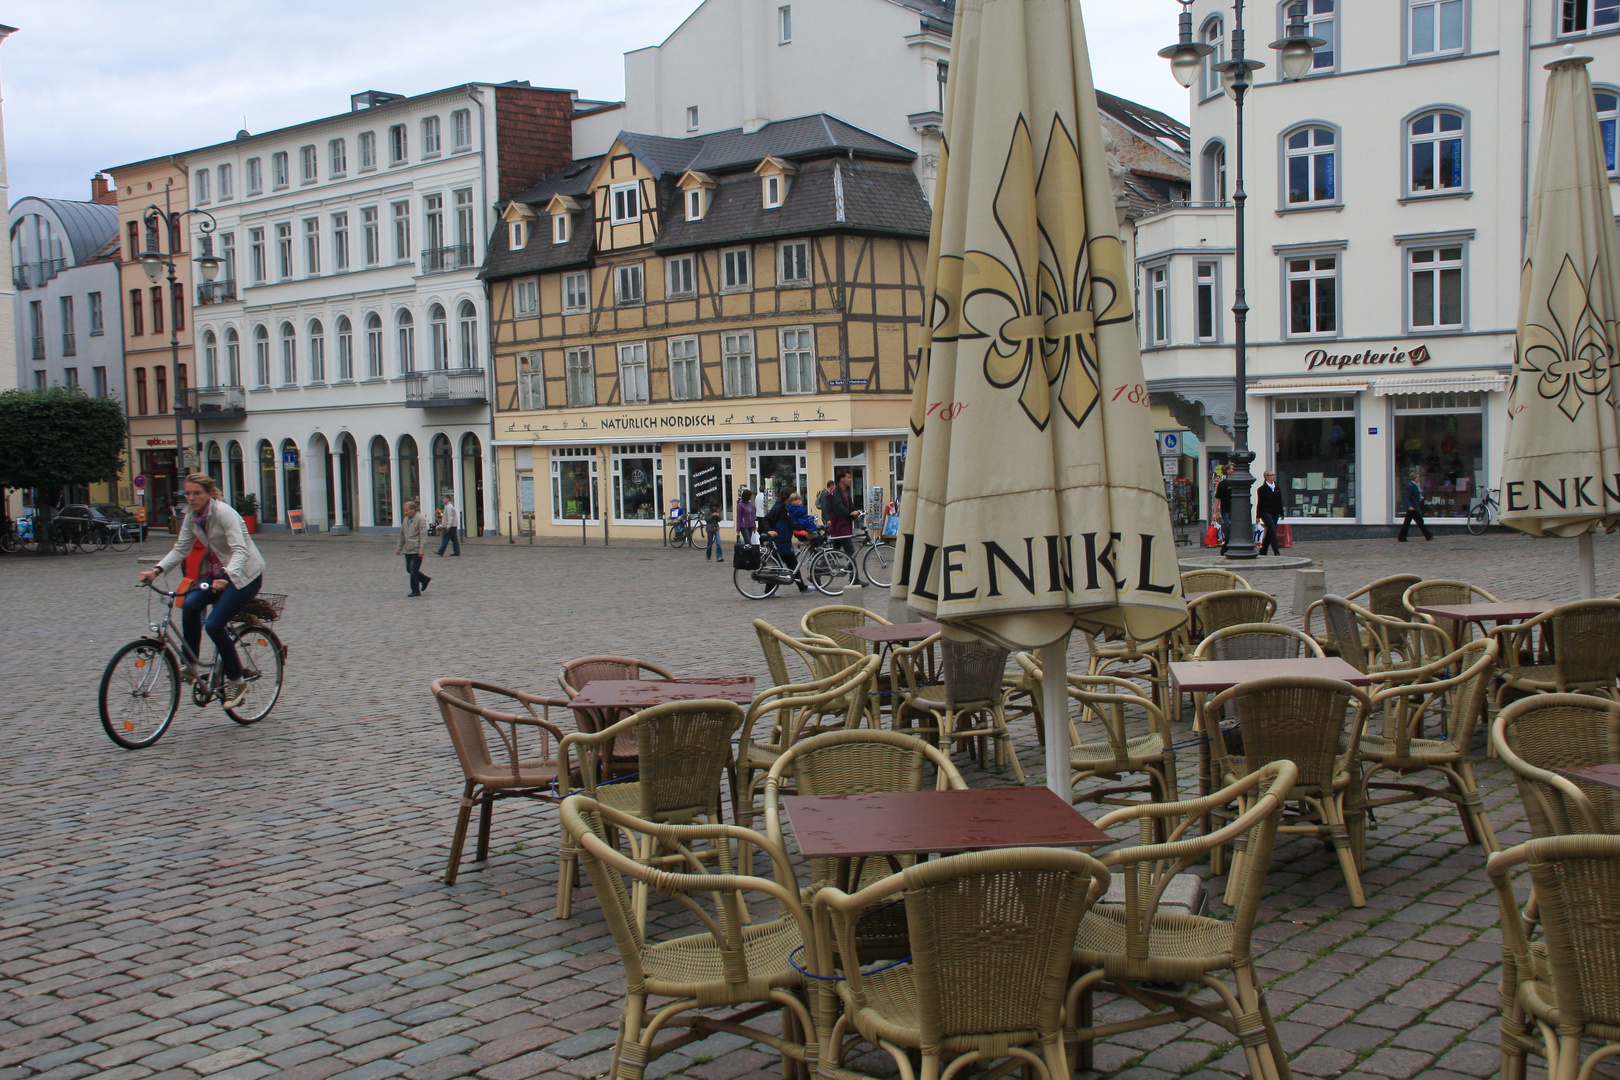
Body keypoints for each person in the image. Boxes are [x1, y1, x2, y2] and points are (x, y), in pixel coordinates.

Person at [138, 473, 266, 710]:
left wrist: (227, 577)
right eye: (188, 493)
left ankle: (237, 681)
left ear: (209, 494)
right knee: (189, 604)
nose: (192, 498)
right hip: (214, 575)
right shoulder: (191, 516)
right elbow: (181, 549)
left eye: (197, 493)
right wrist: (156, 571)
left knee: (214, 625)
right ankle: (190, 664)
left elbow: (240, 550)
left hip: (244, 576)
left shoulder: (224, 513)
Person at [761, 487, 809, 593]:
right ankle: (768, 591)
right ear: (787, 498)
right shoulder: (778, 508)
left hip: (785, 542)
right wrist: (769, 531)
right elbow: (765, 520)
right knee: (776, 567)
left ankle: (802, 587)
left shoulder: (789, 510)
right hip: (777, 542)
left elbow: (794, 524)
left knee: (793, 565)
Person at [823, 468, 862, 576]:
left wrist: (857, 510)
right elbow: (838, 506)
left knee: (834, 551)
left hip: (844, 526)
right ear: (841, 479)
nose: (850, 480)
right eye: (848, 477)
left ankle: (818, 569)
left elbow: (850, 505)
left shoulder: (846, 492)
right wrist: (850, 513)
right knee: (851, 553)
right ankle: (854, 578)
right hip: (840, 527)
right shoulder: (836, 492)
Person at [397, 500, 432, 595]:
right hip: (408, 549)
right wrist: (399, 547)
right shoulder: (406, 519)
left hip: (416, 549)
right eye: (405, 511)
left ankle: (415, 590)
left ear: (413, 510)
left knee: (413, 570)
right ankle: (424, 579)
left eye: (407, 511)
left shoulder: (420, 519)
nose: (406, 512)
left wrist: (421, 550)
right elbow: (402, 534)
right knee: (409, 569)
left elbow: (423, 536)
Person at [1399, 468, 1434, 542]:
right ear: (1414, 478)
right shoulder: (1410, 486)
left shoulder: (1416, 485)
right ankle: (1428, 535)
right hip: (1413, 507)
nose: (1419, 479)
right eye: (1418, 477)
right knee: (1419, 521)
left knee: (1408, 522)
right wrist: (1409, 506)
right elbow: (1406, 496)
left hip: (1415, 506)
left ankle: (1402, 536)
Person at [1257, 470, 1284, 556]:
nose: (1273, 476)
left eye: (1274, 474)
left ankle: (1263, 551)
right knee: (1272, 530)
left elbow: (1280, 501)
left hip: (1275, 511)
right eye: (1271, 475)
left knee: (1270, 531)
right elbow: (1260, 503)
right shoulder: (1262, 489)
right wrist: (1258, 515)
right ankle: (1276, 551)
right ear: (1267, 477)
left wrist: (1281, 513)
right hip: (1266, 512)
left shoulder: (1277, 487)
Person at [1214, 467, 1234, 554]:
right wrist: (1215, 512)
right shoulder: (1223, 484)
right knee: (1231, 529)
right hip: (1226, 510)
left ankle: (1227, 548)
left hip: (1236, 510)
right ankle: (1226, 548)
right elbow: (1218, 499)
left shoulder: (1238, 483)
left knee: (1233, 530)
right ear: (1228, 471)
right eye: (1233, 469)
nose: (1234, 470)